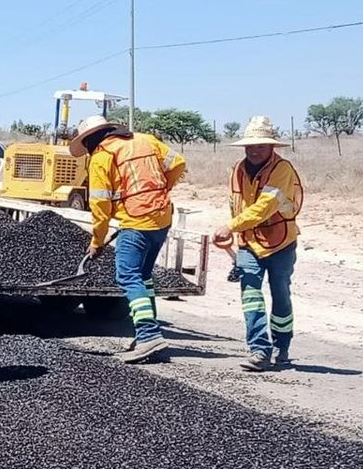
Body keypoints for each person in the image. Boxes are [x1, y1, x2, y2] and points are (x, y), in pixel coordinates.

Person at [69, 115, 186, 363]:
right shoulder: (146, 140)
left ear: (89, 141)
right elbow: (178, 163)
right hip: (162, 218)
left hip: (135, 222)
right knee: (143, 276)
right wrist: (161, 191)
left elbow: (100, 205)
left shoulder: (102, 156)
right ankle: (147, 334)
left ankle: (148, 335)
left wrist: (97, 241)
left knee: (128, 277)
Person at [212, 116, 304, 371]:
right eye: (250, 146)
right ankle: (259, 350)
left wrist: (230, 226)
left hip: (280, 242)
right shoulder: (237, 170)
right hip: (248, 243)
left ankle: (282, 344)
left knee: (280, 293)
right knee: (251, 294)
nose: (254, 151)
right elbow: (236, 205)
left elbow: (265, 207)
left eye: (260, 146)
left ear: (271, 147)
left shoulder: (282, 170)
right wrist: (233, 234)